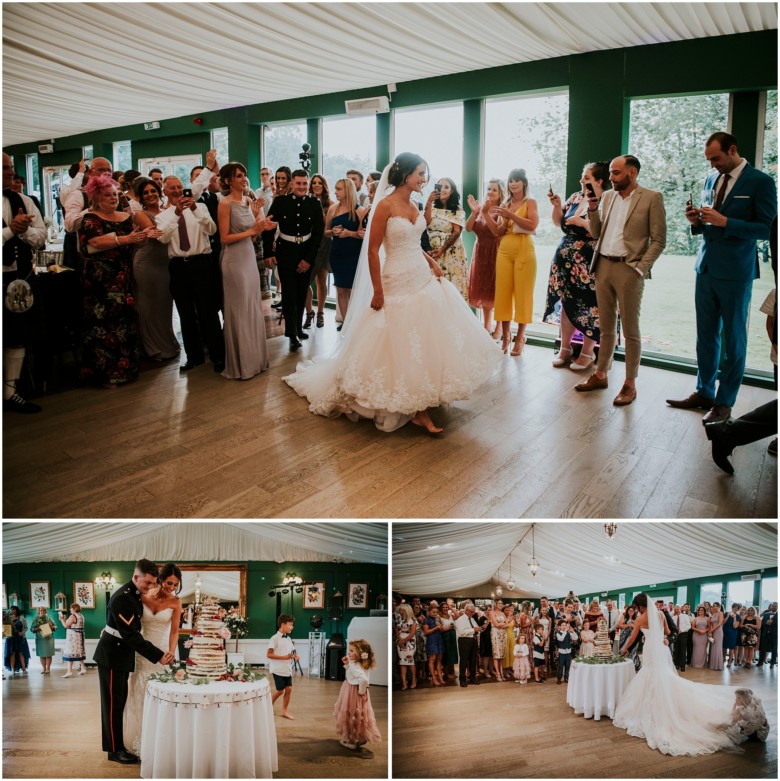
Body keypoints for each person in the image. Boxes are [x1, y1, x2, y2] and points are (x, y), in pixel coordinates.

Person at [283, 153, 502, 433]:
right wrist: (377, 291)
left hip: (422, 277)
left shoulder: (414, 204)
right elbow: (373, 250)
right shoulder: (384, 206)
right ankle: (416, 410)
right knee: (400, 339)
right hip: (395, 279)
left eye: (426, 173)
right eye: (421, 174)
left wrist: (432, 262)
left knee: (425, 339)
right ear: (405, 175)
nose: (425, 179)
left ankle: (424, 397)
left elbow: (413, 242)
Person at [669, 132, 777, 423]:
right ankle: (704, 392)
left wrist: (727, 221)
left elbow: (767, 229)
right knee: (705, 337)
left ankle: (725, 402)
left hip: (736, 273)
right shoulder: (710, 180)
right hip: (705, 269)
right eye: (709, 160)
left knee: (735, 339)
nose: (713, 165)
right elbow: (709, 225)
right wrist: (696, 221)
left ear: (732, 149)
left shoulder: (761, 183)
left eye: (716, 158)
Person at [614, 593, 766, 755]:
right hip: (661, 648)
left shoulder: (639, 619)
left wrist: (624, 649)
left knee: (650, 674)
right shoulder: (660, 614)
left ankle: (652, 705)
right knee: (661, 675)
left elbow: (632, 637)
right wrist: (666, 640)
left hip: (651, 649)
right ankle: (663, 699)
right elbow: (667, 631)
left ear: (639, 606)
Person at [576, 155, 666, 405]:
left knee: (630, 330)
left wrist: (640, 269)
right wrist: (592, 209)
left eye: (616, 173)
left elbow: (659, 240)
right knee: (605, 328)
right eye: (611, 173)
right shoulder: (607, 197)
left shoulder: (651, 198)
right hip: (603, 265)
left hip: (630, 269)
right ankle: (601, 374)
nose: (611, 178)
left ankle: (629, 384)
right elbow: (596, 232)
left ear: (632, 172)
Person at [93, 559, 172, 764]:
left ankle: (117, 745)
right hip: (112, 655)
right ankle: (114, 750)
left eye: (153, 583)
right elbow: (131, 636)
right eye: (147, 583)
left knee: (119, 702)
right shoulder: (122, 598)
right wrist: (159, 655)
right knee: (112, 704)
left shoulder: (135, 594)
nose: (150, 587)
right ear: (136, 577)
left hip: (121, 654)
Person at [78, 173, 147, 387]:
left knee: (124, 321)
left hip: (124, 276)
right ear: (97, 198)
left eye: (115, 194)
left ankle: (126, 370)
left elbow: (137, 244)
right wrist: (125, 239)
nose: (113, 198)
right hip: (101, 281)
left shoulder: (126, 217)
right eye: (108, 195)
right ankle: (103, 374)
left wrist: (140, 239)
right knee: (103, 325)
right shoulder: (90, 218)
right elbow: (95, 242)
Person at [544, 162, 609, 369]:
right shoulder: (575, 197)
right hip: (565, 261)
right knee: (568, 304)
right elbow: (558, 223)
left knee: (590, 306)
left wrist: (581, 223)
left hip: (588, 262)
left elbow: (601, 231)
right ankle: (566, 348)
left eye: (587, 177)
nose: (582, 181)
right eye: (582, 177)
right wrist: (556, 206)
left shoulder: (605, 200)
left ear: (599, 180)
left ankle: (588, 353)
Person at [157, 175, 224, 373]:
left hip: (202, 263)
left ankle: (218, 356)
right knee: (186, 314)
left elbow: (212, 230)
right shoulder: (163, 216)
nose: (177, 191)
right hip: (178, 266)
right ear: (165, 192)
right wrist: (177, 213)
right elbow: (163, 238)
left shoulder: (200, 207)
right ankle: (194, 357)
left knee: (208, 312)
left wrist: (194, 209)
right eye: (172, 188)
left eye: (179, 187)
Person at [217, 162, 275, 380]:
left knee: (253, 306)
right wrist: (254, 229)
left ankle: (255, 360)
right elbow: (225, 238)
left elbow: (251, 237)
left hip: (249, 257)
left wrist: (261, 226)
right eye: (238, 176)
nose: (243, 179)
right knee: (240, 309)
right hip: (234, 261)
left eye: (244, 175)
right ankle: (242, 364)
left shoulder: (249, 201)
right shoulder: (225, 204)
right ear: (227, 181)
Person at [2, 151, 46, 413]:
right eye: (4, 167)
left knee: (18, 336)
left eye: (10, 166)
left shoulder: (26, 201)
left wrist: (25, 230)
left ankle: (9, 393)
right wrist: (9, 230)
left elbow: (40, 237)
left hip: (21, 278)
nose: (10, 171)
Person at [123, 563, 182, 756]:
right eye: (169, 583)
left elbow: (174, 631)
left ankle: (161, 740)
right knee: (140, 694)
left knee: (162, 697)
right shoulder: (143, 596)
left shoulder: (176, 602)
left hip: (163, 652)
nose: (171, 588)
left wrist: (172, 651)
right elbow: (129, 620)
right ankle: (142, 739)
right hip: (142, 650)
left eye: (175, 585)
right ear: (161, 579)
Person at [265, 170, 325, 352]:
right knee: (289, 294)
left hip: (305, 252)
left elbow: (317, 235)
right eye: (298, 183)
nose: (302, 187)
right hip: (285, 253)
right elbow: (268, 228)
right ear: (291, 184)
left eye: (305, 183)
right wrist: (268, 252)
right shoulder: (280, 202)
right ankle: (292, 335)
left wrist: (308, 259)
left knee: (301, 294)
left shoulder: (314, 204)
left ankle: (298, 328)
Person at [486, 168, 539, 356]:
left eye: (517, 180)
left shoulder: (530, 202)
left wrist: (511, 216)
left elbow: (532, 225)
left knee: (523, 294)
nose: (513, 184)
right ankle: (506, 335)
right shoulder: (506, 203)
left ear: (524, 183)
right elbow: (498, 232)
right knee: (503, 294)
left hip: (524, 249)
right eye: (510, 181)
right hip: (505, 249)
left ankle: (520, 337)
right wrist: (486, 214)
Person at [131, 177, 180, 362]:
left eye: (153, 191)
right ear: (141, 198)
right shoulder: (140, 214)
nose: (150, 195)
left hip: (165, 263)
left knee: (165, 304)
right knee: (149, 305)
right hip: (147, 263)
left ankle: (167, 343)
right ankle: (152, 348)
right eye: (146, 193)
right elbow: (160, 233)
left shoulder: (166, 211)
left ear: (159, 193)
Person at [466, 179, 503, 334]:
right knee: (484, 289)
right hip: (480, 252)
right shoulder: (480, 208)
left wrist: (487, 213)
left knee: (497, 289)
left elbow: (496, 232)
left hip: (496, 251)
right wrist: (475, 212)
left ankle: (500, 327)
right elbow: (468, 229)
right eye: (488, 188)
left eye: (494, 189)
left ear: (501, 193)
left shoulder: (502, 210)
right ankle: (487, 325)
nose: (490, 192)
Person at [326, 178, 364, 324]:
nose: (335, 192)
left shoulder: (359, 211)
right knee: (340, 290)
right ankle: (346, 323)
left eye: (339, 189)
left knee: (353, 290)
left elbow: (363, 235)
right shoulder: (333, 209)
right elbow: (326, 232)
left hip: (354, 255)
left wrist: (350, 233)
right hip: (337, 254)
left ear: (347, 190)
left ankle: (355, 324)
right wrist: (333, 232)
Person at [425, 177, 469, 301]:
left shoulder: (456, 210)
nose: (443, 189)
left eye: (446, 187)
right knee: (436, 288)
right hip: (433, 254)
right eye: (440, 186)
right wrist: (428, 202)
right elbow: (426, 222)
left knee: (451, 286)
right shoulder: (432, 209)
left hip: (450, 253)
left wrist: (442, 249)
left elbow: (456, 232)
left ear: (452, 191)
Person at [334, 639, 381, 750]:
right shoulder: (360, 663)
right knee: (360, 714)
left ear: (359, 653)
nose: (348, 653)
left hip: (352, 691)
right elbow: (354, 674)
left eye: (351, 651)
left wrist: (361, 691)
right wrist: (347, 664)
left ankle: (351, 741)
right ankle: (361, 736)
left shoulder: (356, 665)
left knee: (351, 714)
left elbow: (363, 680)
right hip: (356, 689)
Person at [305, 173, 333, 329]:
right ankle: (309, 312)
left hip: (324, 244)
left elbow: (327, 226)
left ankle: (321, 312)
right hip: (308, 244)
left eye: (319, 183)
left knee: (321, 280)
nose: (316, 185)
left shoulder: (330, 203)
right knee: (306, 281)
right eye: (313, 182)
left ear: (324, 186)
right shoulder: (306, 201)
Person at [267, 614, 298, 719]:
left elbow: (289, 653)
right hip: (277, 669)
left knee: (289, 689)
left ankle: (284, 711)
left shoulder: (288, 639)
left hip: (287, 669)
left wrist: (295, 656)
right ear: (283, 625)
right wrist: (284, 657)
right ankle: (268, 705)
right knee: (280, 691)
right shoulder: (274, 638)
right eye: (290, 625)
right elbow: (269, 654)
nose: (292, 627)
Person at [453, 602, 482, 687]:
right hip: (464, 640)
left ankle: (472, 677)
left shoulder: (472, 619)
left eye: (473, 612)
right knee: (464, 660)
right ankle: (462, 679)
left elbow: (475, 628)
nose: (472, 613)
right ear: (466, 611)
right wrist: (473, 630)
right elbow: (462, 632)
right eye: (471, 611)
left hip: (473, 640)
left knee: (473, 660)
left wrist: (479, 629)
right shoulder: (460, 620)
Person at [61, 603, 88, 677]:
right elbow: (72, 624)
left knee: (70, 652)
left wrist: (61, 619)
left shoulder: (73, 616)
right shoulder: (81, 616)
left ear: (74, 609)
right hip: (80, 636)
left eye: (71, 608)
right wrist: (65, 619)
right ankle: (83, 668)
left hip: (73, 637)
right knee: (79, 652)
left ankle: (69, 671)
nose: (70, 609)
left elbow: (66, 625)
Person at [395, 602, 417, 690]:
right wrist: (400, 640)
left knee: (410, 660)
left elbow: (412, 633)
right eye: (399, 610)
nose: (400, 611)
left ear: (406, 611)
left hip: (410, 641)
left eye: (401, 610)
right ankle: (404, 682)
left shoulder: (413, 620)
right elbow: (396, 630)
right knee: (402, 661)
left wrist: (404, 640)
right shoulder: (399, 619)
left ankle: (413, 680)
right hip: (400, 640)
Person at [422, 603, 445, 686]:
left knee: (439, 660)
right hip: (431, 640)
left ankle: (440, 677)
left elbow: (441, 631)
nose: (435, 613)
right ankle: (434, 678)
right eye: (433, 612)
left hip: (439, 640)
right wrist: (436, 628)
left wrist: (441, 627)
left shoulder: (438, 619)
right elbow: (426, 632)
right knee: (432, 659)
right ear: (429, 612)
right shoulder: (426, 620)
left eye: (436, 612)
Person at [3, 605, 30, 674]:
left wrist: (22, 632)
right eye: (11, 609)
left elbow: (26, 627)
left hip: (20, 638)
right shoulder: (7, 619)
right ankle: (13, 670)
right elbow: (5, 627)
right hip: (11, 638)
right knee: (12, 653)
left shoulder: (22, 618)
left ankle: (24, 669)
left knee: (21, 653)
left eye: (14, 609)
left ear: (17, 610)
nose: (12, 610)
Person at [31, 607, 56, 674]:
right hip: (40, 639)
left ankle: (48, 668)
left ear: (46, 611)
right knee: (41, 654)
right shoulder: (35, 619)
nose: (42, 611)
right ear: (38, 611)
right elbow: (31, 629)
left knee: (48, 654)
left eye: (44, 610)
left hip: (48, 638)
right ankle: (43, 668)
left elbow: (55, 626)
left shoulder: (49, 618)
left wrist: (52, 627)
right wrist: (37, 629)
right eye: (41, 610)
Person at [672, 604, 692, 672]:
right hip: (676, 635)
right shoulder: (673, 617)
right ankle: (676, 664)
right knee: (676, 650)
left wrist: (682, 630)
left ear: (681, 609)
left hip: (683, 635)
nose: (677, 610)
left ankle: (682, 665)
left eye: (678, 608)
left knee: (683, 651)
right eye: (675, 609)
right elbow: (672, 627)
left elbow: (689, 626)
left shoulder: (685, 616)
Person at [722, 603, 742, 669]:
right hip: (725, 631)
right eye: (734, 607)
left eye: (736, 608)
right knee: (724, 646)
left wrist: (734, 618)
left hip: (733, 632)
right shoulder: (726, 613)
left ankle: (730, 661)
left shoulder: (738, 616)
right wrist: (727, 616)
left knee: (731, 647)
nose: (734, 609)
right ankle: (723, 658)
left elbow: (735, 626)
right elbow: (723, 622)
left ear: (738, 609)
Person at [758, 602, 777, 667]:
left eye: (775, 606)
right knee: (763, 648)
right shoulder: (766, 614)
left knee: (774, 649)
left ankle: (772, 663)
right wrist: (766, 623)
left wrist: (772, 622)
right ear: (771, 607)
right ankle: (760, 662)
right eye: (773, 606)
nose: (774, 607)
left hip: (775, 635)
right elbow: (762, 623)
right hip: (765, 634)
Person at [555, 619, 574, 684]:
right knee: (560, 666)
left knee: (567, 665)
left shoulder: (568, 633)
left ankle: (566, 677)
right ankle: (559, 678)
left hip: (568, 652)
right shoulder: (558, 633)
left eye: (565, 625)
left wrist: (573, 632)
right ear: (559, 627)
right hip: (562, 652)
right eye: (562, 625)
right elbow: (561, 639)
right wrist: (565, 631)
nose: (564, 626)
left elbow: (575, 638)